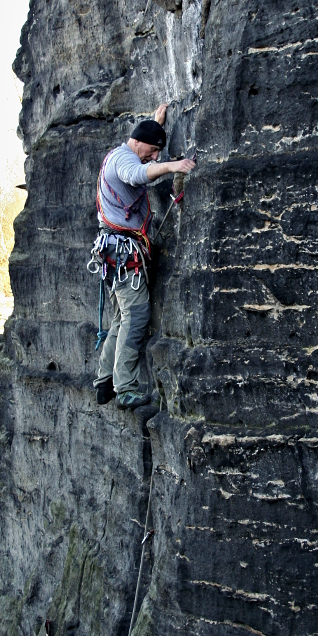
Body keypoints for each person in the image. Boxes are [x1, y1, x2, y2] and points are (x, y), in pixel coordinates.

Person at [89, 104, 195, 408]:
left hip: (114, 255)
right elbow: (136, 174)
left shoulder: (125, 149)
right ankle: (126, 388)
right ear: (137, 143)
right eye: (152, 151)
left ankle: (103, 382)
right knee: (135, 318)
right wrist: (173, 166)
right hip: (123, 255)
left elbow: (142, 147)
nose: (155, 157)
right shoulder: (125, 160)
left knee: (122, 318)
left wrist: (155, 127)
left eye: (158, 153)